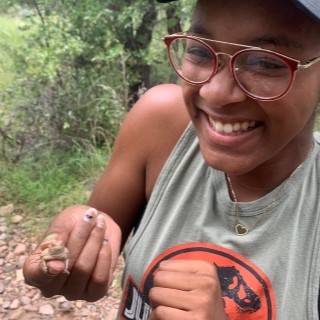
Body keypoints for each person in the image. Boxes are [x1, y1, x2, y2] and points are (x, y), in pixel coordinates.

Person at [23, 0, 320, 319]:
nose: (215, 93)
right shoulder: (159, 125)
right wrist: (71, 242)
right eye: (200, 51)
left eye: (265, 62)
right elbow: (96, 233)